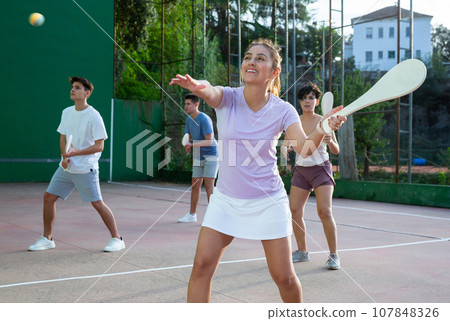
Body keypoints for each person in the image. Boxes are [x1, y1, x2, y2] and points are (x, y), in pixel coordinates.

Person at [169, 38, 346, 303]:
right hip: (226, 200)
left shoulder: (284, 110)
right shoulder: (228, 97)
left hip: (267, 201)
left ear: (274, 72)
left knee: (284, 278)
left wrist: (323, 129)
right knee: (201, 267)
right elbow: (211, 91)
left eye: (260, 58)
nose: (251, 61)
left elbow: (305, 149)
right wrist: (199, 87)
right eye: (248, 56)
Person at [28, 76, 125, 252]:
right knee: (49, 197)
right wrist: (65, 157)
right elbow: (63, 137)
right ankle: (47, 238)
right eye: (73, 87)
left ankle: (117, 238)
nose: (73, 89)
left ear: (87, 93)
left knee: (97, 203)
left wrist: (76, 153)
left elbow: (99, 145)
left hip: (86, 168)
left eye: (78, 87)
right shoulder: (66, 112)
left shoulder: (94, 116)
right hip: (66, 167)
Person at [283, 83, 341, 270]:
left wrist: (330, 139)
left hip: (321, 169)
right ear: (299, 101)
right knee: (294, 211)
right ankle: (302, 252)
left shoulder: (323, 121)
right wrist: (285, 149)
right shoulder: (294, 121)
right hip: (301, 170)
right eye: (304, 98)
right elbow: (287, 142)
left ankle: (334, 256)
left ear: (317, 101)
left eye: (311, 98)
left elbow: (336, 150)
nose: (307, 101)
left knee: (324, 211)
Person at [178, 94, 219, 223]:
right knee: (195, 184)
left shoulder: (205, 119)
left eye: (188, 104)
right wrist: (187, 144)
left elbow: (209, 141)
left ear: (196, 105)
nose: (186, 106)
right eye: (185, 104)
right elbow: (188, 136)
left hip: (212, 154)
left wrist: (192, 144)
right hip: (198, 155)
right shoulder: (189, 120)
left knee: (208, 184)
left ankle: (214, 217)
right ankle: (192, 215)